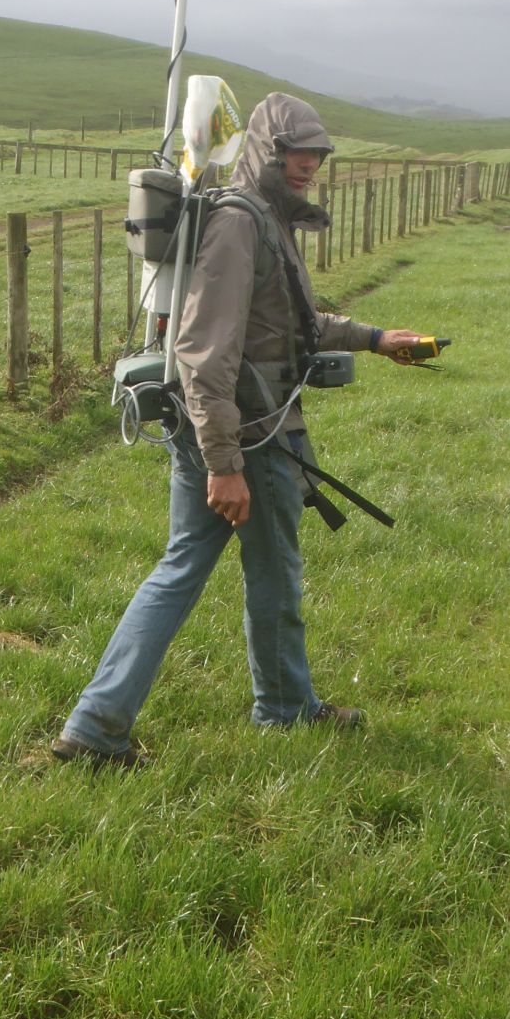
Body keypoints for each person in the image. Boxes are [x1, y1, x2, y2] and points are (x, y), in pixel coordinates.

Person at [52, 92, 424, 767]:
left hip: (243, 431)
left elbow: (296, 322)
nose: (309, 163)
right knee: (244, 570)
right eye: (296, 152)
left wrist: (374, 337)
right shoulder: (238, 224)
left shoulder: (266, 221)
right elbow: (202, 350)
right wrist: (224, 462)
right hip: (245, 438)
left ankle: (100, 724)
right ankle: (270, 712)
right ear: (266, 152)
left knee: (206, 568)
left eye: (317, 153)